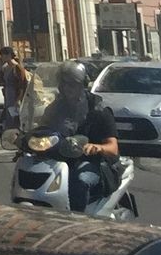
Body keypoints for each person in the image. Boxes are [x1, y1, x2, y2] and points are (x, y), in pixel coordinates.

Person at [35, 60, 119, 210]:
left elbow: (113, 147)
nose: (68, 88)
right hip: (60, 160)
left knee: (79, 181)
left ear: (82, 85)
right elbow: (42, 128)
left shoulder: (98, 110)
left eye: (72, 84)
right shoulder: (56, 107)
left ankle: (79, 221)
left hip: (92, 163)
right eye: (65, 83)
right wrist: (26, 138)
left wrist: (96, 147)